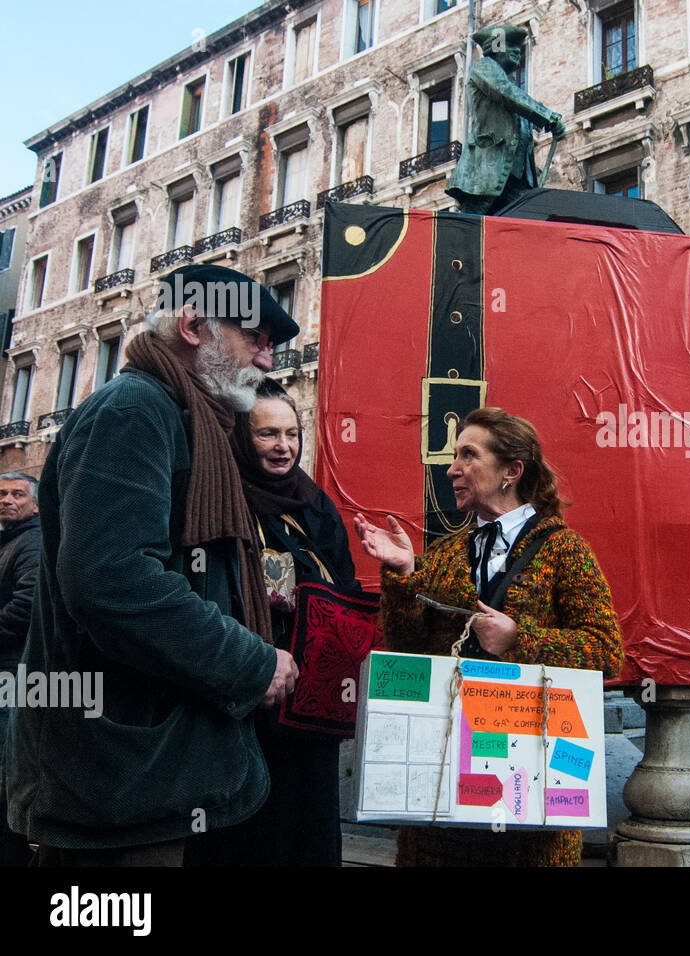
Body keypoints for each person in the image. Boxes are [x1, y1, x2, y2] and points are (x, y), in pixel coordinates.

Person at [4, 263, 300, 866]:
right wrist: (251, 660)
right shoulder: (133, 411)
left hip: (150, 771)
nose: (268, 362)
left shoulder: (188, 418)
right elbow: (112, 580)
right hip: (119, 776)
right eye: (256, 339)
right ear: (193, 324)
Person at [354, 407, 622, 866]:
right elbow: (405, 649)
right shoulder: (444, 553)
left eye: (468, 455)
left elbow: (605, 651)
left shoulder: (565, 551)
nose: (452, 468)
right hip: (442, 798)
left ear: (511, 471)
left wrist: (519, 637)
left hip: (530, 807)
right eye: (454, 455)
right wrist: (402, 575)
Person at [186, 380, 362, 866]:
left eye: (292, 433)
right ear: (242, 437)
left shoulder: (315, 503)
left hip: (309, 706)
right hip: (244, 700)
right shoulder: (214, 497)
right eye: (267, 434)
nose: (284, 446)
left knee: (307, 831)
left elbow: (342, 586)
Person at [446, 23, 567, 215]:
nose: (517, 51)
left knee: (527, 220)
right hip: (488, 167)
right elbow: (505, 92)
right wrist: (547, 117)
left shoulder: (514, 87)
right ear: (496, 47)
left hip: (517, 175)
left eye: (518, 47)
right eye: (510, 46)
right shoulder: (484, 68)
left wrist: (550, 122)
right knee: (471, 223)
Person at [0, 472, 40, 865]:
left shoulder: (30, 540)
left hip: (14, 676)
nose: (8, 500)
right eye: (2, 493)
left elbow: (26, 605)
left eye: (17, 494)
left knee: (7, 773)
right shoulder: (11, 540)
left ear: (36, 504)